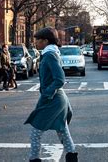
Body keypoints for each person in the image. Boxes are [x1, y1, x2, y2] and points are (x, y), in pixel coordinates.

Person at [25, 27, 77, 162]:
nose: (36, 43)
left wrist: (47, 93)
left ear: (46, 41)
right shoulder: (52, 53)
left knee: (36, 132)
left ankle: (34, 159)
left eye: (38, 40)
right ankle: (72, 158)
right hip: (57, 98)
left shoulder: (49, 55)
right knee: (63, 132)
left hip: (53, 100)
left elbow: (60, 79)